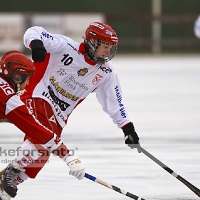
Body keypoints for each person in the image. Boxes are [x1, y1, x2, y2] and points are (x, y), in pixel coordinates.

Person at [1, 22, 141, 199]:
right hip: (37, 96)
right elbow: (35, 31)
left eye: (110, 47)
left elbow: (113, 100)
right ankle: (13, 171)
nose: (107, 52)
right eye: (105, 46)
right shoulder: (66, 47)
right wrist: (35, 42)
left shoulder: (106, 72)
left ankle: (4, 186)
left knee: (41, 158)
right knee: (44, 138)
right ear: (92, 42)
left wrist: (126, 126)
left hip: (59, 116)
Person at [0, 51, 85, 200]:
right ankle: (12, 173)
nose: (27, 84)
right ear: (17, 77)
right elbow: (38, 131)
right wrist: (69, 157)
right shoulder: (9, 99)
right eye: (27, 79)